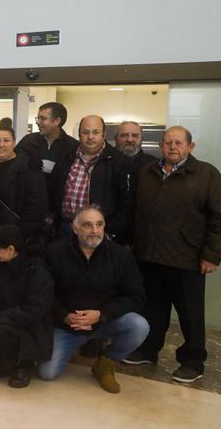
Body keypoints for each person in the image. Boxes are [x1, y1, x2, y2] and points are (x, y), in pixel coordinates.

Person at [127, 126, 221, 383]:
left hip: (187, 258)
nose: (172, 147)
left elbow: (218, 218)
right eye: (168, 143)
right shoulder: (147, 172)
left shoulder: (207, 174)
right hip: (150, 255)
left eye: (179, 143)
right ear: (161, 146)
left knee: (190, 314)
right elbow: (136, 211)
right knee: (153, 309)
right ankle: (148, 350)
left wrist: (211, 255)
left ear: (191, 146)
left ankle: (193, 362)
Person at [38, 205, 148, 393]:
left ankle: (106, 362)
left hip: (104, 321)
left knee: (139, 326)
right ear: (75, 228)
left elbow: (136, 296)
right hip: (67, 326)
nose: (95, 231)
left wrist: (102, 314)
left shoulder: (121, 256)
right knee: (47, 373)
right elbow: (42, 293)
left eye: (99, 224)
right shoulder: (55, 253)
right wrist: (63, 315)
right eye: (88, 225)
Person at [0, 225, 53, 388]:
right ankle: (10, 363)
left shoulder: (38, 272)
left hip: (31, 329)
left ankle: (25, 363)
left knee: (0, 330)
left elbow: (33, 311)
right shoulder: (3, 266)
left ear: (11, 249)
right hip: (5, 324)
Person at [0, 126, 48, 282]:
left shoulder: (28, 169)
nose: (1, 144)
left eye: (6, 140)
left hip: (14, 235)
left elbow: (36, 205)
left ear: (14, 143)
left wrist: (21, 234)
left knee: (9, 279)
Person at [51, 115, 132, 241]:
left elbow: (126, 203)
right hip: (66, 228)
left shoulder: (118, 161)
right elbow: (53, 189)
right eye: (85, 132)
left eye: (95, 132)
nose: (90, 137)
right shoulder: (66, 155)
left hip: (98, 232)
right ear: (79, 135)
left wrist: (111, 232)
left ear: (103, 135)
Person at [15, 102, 79, 196]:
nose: (38, 122)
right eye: (38, 118)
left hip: (58, 205)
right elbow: (14, 163)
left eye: (43, 118)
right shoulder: (28, 141)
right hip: (30, 201)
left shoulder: (72, 146)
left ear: (57, 121)